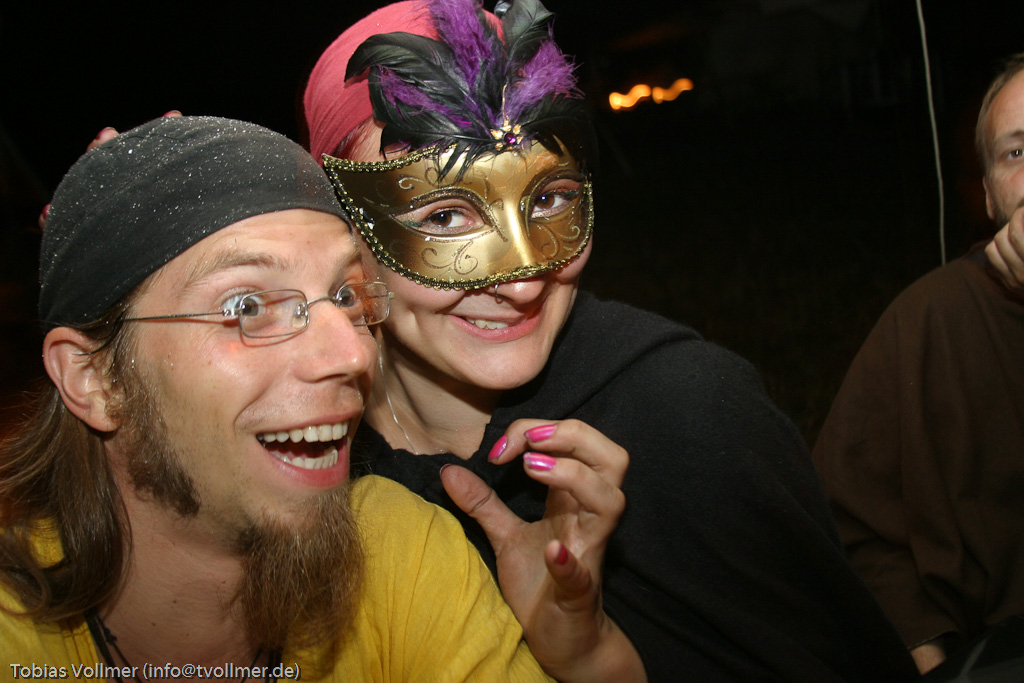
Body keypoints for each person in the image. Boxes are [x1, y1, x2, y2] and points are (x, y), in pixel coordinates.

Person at [303, 1, 921, 680]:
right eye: (446, 216)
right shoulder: (300, 451)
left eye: (548, 199)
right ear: (340, 234)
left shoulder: (691, 415)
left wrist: (602, 664)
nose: (524, 280)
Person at [0, 114, 555, 681]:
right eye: (246, 307)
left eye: (346, 297)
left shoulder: (403, 554)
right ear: (96, 378)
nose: (354, 354)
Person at [812, 53, 1024, 676]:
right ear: (989, 196)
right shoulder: (930, 319)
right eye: (1016, 152)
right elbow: (846, 525)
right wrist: (930, 662)